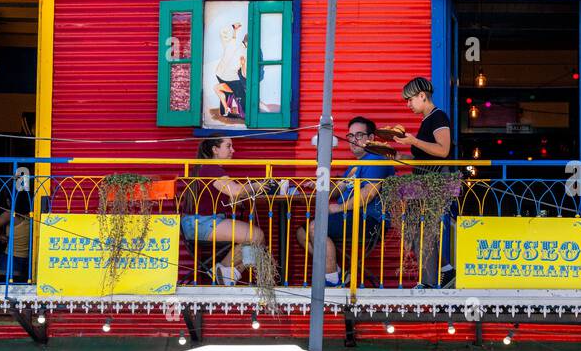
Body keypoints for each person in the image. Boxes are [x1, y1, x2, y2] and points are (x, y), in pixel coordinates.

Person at [295, 116, 395, 286]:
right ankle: (335, 271)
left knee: (315, 227)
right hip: (351, 217)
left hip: (369, 221)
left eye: (359, 135)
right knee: (301, 233)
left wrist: (337, 208)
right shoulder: (356, 164)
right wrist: (320, 185)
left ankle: (332, 281)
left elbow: (368, 194)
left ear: (371, 138)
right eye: (350, 136)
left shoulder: (378, 160)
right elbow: (341, 187)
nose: (353, 140)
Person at [388, 77, 457, 288]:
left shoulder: (438, 117)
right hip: (424, 182)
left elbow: (443, 151)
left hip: (435, 182)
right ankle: (446, 270)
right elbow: (424, 157)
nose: (408, 105)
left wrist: (414, 141)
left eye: (410, 100)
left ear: (422, 96)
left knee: (422, 231)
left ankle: (427, 282)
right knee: (417, 229)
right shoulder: (427, 120)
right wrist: (398, 154)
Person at [179, 136, 272, 286]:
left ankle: (226, 273)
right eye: (228, 146)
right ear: (215, 150)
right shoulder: (211, 168)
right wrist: (254, 186)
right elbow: (234, 191)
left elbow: (227, 196)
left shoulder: (206, 168)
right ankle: (223, 271)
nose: (233, 151)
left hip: (198, 223)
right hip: (202, 223)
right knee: (256, 235)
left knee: (256, 238)